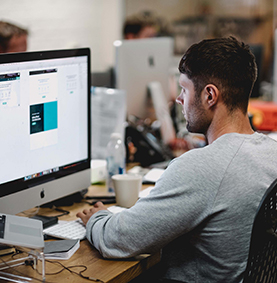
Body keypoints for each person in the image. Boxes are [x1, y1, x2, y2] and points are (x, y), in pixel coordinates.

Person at [77, 37, 277, 282]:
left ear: (210, 95)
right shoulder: (271, 153)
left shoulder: (201, 168)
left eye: (184, 89)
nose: (179, 100)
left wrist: (96, 218)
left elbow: (117, 240)